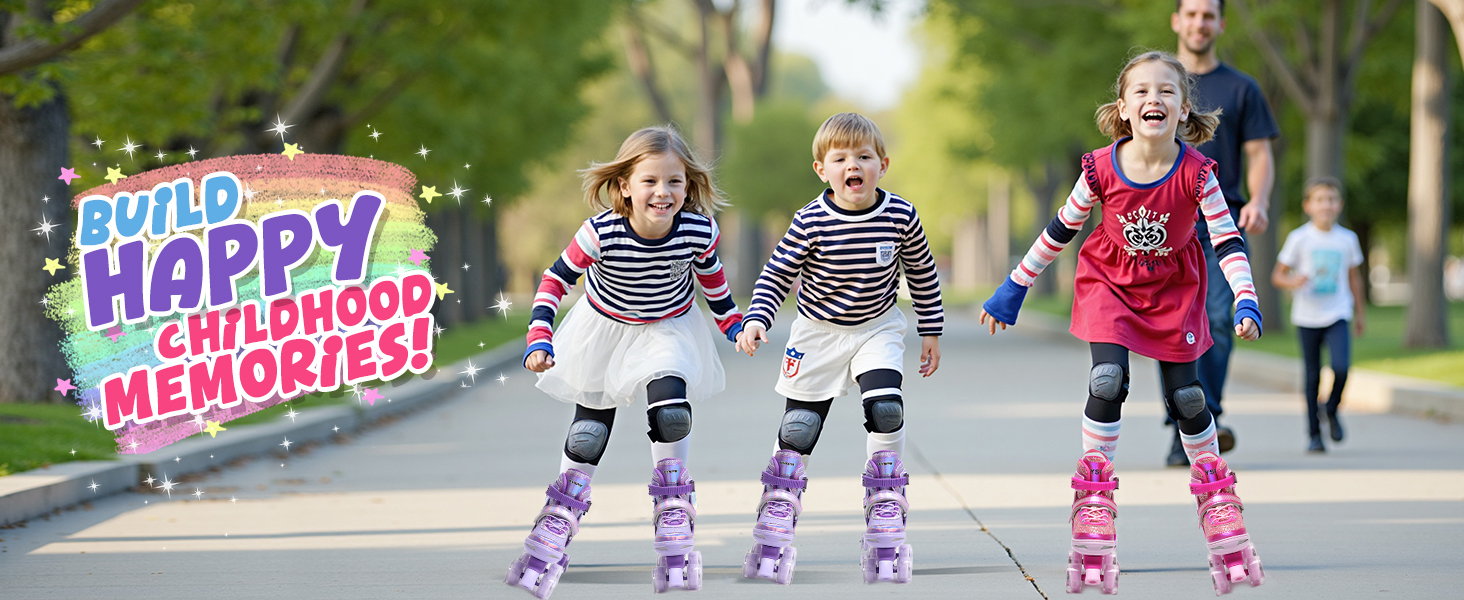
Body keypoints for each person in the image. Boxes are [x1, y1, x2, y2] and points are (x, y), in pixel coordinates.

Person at [980, 52, 1266, 594]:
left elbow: (1227, 239)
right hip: (1109, 283)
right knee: (1107, 380)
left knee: (1189, 400)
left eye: (1166, 91)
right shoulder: (1101, 167)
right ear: (1123, 108)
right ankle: (1094, 496)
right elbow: (1062, 228)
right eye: (1140, 91)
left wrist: (1246, 298)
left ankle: (1216, 494)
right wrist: (1015, 285)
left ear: (1184, 110)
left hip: (1175, 290)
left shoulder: (1198, 173)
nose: (1152, 99)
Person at [504, 126, 744, 597]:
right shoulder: (600, 232)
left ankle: (673, 503)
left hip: (667, 328)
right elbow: (555, 281)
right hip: (603, 328)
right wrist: (539, 336)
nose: (663, 192)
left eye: (675, 182)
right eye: (650, 180)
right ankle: (562, 510)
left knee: (670, 410)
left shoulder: (698, 230)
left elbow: (714, 286)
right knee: (588, 430)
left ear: (688, 187)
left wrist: (735, 326)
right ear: (625, 187)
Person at [734, 112, 942, 585]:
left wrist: (931, 331)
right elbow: (777, 274)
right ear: (821, 169)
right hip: (817, 332)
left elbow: (923, 274)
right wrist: (757, 318)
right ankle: (779, 504)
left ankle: (886, 499)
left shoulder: (901, 215)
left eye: (864, 157)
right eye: (841, 158)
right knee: (801, 425)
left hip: (878, 327)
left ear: (882, 164)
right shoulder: (810, 220)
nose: (855, 165)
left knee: (886, 407)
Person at [1166, 0, 1280, 466]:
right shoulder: (1159, 82)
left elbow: (1258, 154)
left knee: (1216, 321)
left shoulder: (1242, 88)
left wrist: (1259, 200)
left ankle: (1203, 416)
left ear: (1220, 24)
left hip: (1220, 223)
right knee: (1170, 328)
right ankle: (1185, 427)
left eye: (1208, 15)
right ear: (1176, 21)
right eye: (1191, 14)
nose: (1199, 22)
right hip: (1161, 226)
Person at [1273, 177, 1364, 453]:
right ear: (1308, 206)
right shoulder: (1299, 238)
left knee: (1341, 368)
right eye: (1320, 200)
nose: (1326, 205)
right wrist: (1293, 281)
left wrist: (1360, 314)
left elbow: (1354, 277)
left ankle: (1332, 409)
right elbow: (1277, 275)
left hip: (1338, 313)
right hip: (1307, 316)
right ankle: (1314, 434)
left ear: (1339, 205)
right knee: (1312, 376)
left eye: (1332, 200)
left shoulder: (1347, 239)